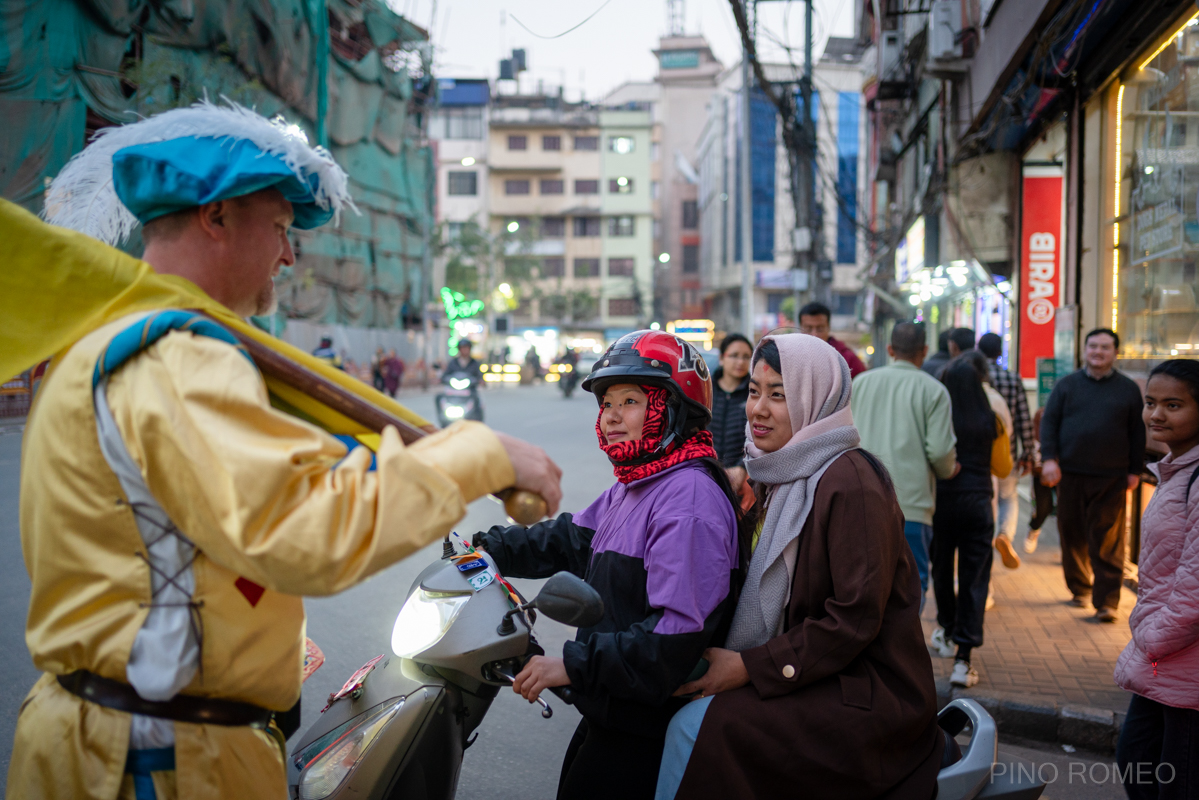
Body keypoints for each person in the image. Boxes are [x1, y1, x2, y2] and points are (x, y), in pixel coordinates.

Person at [6, 101, 562, 800]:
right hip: (160, 760)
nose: (288, 252)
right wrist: (479, 455)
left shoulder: (111, 344)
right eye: (277, 226)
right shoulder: (184, 360)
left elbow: (172, 536)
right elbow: (307, 529)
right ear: (216, 216)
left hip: (112, 738)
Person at [654, 334, 944, 800]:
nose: (758, 410)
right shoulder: (777, 473)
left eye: (778, 395)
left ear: (816, 397)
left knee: (695, 728)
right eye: (753, 391)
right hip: (818, 672)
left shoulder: (850, 481)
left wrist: (751, 666)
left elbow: (853, 620)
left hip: (865, 693)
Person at [474, 331, 742, 800]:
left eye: (631, 401)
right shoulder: (640, 481)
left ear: (672, 409)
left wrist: (572, 666)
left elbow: (672, 640)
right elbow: (569, 539)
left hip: (645, 728)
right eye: (607, 403)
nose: (612, 417)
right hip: (613, 710)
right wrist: (485, 548)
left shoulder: (689, 499)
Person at [1114, 360, 1199, 800]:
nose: (1156, 415)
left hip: (1179, 655)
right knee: (1138, 760)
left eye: (1173, 404)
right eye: (1150, 403)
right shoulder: (1177, 468)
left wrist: (1151, 637)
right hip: (1165, 656)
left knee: (1175, 782)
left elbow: (1194, 585)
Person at [1040, 328, 1145, 622]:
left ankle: (1107, 601)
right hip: (1070, 473)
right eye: (1093, 346)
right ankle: (1080, 588)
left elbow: (1137, 433)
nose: (1098, 352)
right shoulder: (1066, 386)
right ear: (1085, 350)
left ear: (1115, 353)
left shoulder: (1127, 389)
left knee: (1108, 539)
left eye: (1105, 347)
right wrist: (1049, 459)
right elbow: (1049, 424)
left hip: (1111, 476)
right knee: (1071, 532)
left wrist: (1134, 470)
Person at [851, 321, 958, 611]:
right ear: (924, 350)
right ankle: (900, 651)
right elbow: (939, 451)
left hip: (862, 500)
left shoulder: (861, 383)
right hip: (912, 505)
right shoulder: (934, 390)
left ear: (889, 349)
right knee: (911, 584)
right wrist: (950, 469)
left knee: (861, 582)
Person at [931, 358, 1010, 687]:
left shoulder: (938, 418)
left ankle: (947, 631)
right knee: (974, 578)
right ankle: (964, 660)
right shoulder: (991, 421)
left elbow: (934, 454)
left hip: (942, 503)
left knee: (942, 570)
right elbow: (1003, 468)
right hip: (978, 504)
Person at [977, 333, 1035, 566]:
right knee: (1008, 497)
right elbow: (1023, 418)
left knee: (989, 501)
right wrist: (1028, 452)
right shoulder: (1012, 379)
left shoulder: (976, 380)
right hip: (1007, 454)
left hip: (980, 456)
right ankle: (1005, 535)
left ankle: (990, 539)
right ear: (1000, 352)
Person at [710, 333, 753, 497]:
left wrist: (742, 467)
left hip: (741, 481)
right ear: (722, 358)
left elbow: (757, 439)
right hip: (705, 473)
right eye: (734, 356)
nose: (740, 362)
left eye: (746, 357)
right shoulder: (706, 392)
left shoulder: (754, 394)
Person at [797, 301, 867, 377]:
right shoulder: (792, 357)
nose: (814, 334)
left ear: (828, 327)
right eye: (808, 329)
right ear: (800, 328)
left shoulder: (847, 359)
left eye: (820, 329)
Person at [1023, 407, 1055, 553]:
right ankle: (1034, 529)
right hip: (1041, 469)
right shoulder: (1042, 414)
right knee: (1044, 507)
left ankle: (1070, 549)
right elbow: (1034, 440)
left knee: (1068, 511)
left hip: (1066, 470)